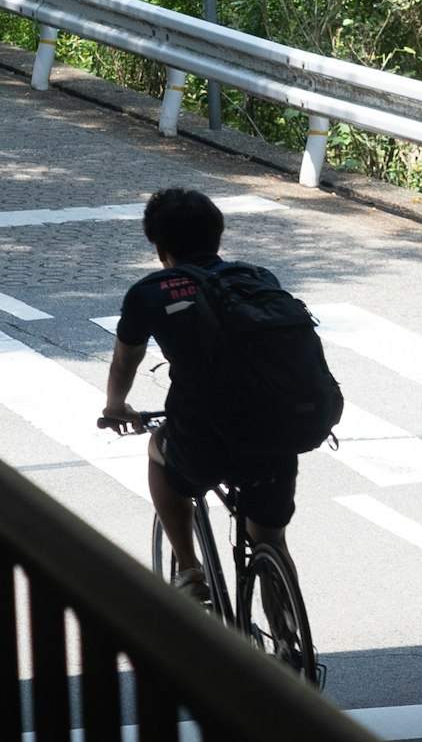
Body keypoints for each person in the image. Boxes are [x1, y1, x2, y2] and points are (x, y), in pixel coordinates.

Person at [96, 187, 302, 603]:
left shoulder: (149, 292)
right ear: (217, 237)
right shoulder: (258, 279)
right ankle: (289, 648)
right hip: (276, 431)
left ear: (160, 248)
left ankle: (189, 570)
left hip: (202, 438)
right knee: (270, 540)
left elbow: (125, 362)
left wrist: (115, 407)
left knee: (158, 451)